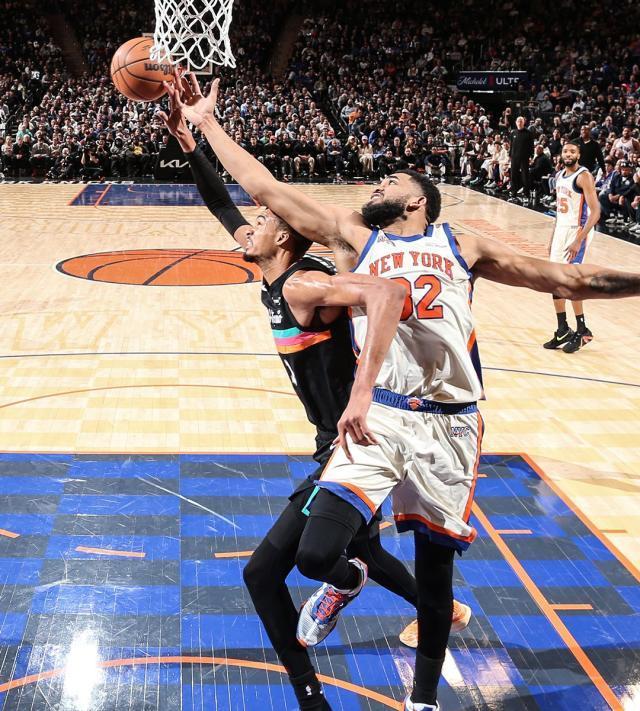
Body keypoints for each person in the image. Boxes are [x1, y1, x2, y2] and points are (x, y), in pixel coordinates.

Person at [169, 75, 640, 711]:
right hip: (381, 414)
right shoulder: (355, 238)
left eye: (389, 181)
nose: (376, 185)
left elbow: (568, 277)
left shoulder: (462, 245)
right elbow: (265, 188)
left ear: (419, 201)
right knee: (316, 552)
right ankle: (342, 582)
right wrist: (206, 125)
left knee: (435, 577)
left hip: (451, 420)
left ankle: (423, 700)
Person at [157, 79, 471, 711]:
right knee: (355, 548)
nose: (246, 229)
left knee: (280, 568)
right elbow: (221, 205)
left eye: (261, 223)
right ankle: (417, 604)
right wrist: (190, 145)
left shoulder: (307, 284)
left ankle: (323, 674)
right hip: (334, 439)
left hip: (359, 439)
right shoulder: (273, 270)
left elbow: (379, 294)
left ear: (283, 240)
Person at [543, 141, 601, 352]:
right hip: (561, 230)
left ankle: (583, 329)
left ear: (579, 155)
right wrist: (552, 238)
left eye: (572, 151)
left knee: (571, 281)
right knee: (554, 281)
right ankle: (562, 329)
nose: (568, 154)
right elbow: (560, 212)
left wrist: (579, 239)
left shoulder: (583, 176)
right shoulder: (559, 175)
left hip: (577, 230)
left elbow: (595, 212)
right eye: (565, 151)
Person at [509, 116, 535, 202]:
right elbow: (511, 145)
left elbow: (531, 146)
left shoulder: (528, 133)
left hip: (524, 158)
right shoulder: (513, 133)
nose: (519, 123)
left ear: (524, 122)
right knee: (513, 176)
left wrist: (531, 156)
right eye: (518, 121)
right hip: (514, 158)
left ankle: (526, 195)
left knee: (525, 177)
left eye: (521, 121)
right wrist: (510, 155)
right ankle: (513, 194)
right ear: (516, 122)